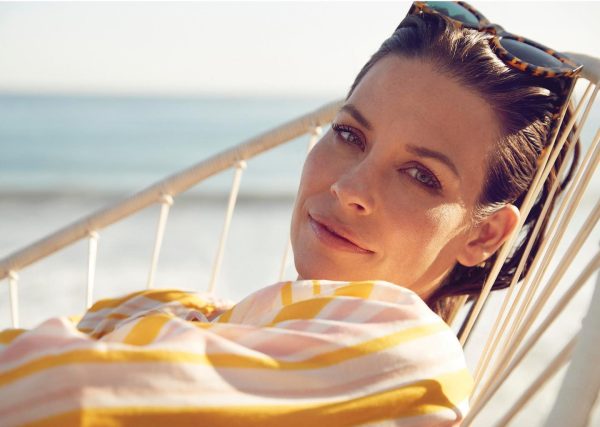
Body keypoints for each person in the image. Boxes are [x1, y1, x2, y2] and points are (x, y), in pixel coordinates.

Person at [0, 2, 581, 426]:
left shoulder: (403, 357)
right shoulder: (214, 316)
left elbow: (69, 395)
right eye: (350, 135)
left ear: (485, 235)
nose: (350, 187)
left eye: (420, 175)